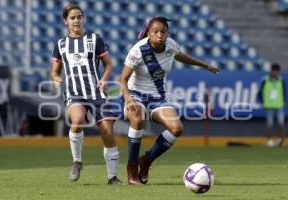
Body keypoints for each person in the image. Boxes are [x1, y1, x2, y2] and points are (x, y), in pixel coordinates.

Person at [119, 16, 219, 185]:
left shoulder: (170, 45)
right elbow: (122, 79)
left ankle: (147, 160)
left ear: (167, 33)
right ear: (148, 34)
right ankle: (132, 166)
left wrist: (204, 65)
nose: (159, 35)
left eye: (163, 32)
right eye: (155, 32)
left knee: (176, 128)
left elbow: (181, 56)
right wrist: (128, 99)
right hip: (136, 94)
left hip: (158, 97)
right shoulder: (138, 51)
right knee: (138, 119)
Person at [51, 4, 122, 184]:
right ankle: (77, 161)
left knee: (107, 131)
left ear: (83, 19)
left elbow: (108, 64)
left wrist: (105, 78)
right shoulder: (60, 45)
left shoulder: (94, 39)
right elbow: (55, 71)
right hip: (74, 93)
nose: (76, 20)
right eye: (72, 18)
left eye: (79, 17)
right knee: (77, 120)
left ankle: (112, 177)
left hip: (97, 94)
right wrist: (55, 78)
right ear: (65, 21)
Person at [258, 63, 286, 147]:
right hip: (269, 105)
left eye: (276, 71)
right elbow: (260, 93)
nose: (275, 73)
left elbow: (284, 92)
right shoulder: (265, 80)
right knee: (269, 124)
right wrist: (263, 102)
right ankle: (269, 140)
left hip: (279, 105)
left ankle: (280, 140)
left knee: (281, 123)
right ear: (271, 71)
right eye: (273, 71)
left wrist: (283, 101)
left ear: (278, 72)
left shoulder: (281, 80)